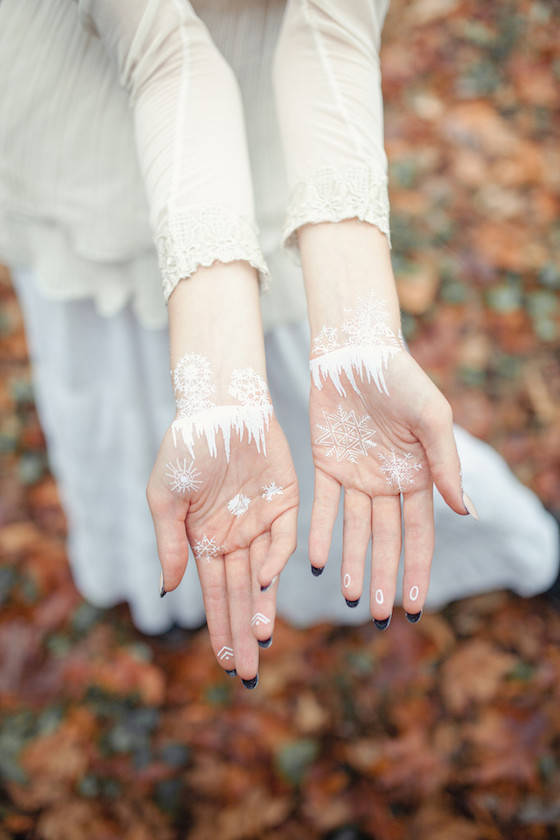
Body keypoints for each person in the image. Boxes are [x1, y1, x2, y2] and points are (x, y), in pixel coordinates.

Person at [1, 0, 557, 689]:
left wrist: (357, 335)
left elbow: (330, 28)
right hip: (74, 133)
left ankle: (516, 546)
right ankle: (154, 584)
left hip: (273, 143)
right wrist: (220, 397)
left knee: (313, 403)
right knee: (109, 401)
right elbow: (164, 51)